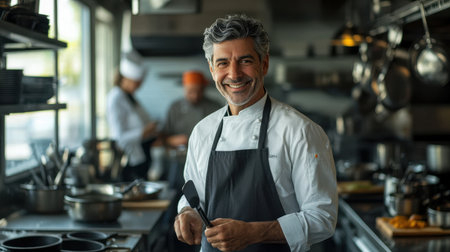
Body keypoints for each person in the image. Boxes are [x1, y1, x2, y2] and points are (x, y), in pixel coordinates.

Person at [174, 14, 338, 252]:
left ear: (264, 64)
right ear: (211, 69)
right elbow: (193, 195)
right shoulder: (202, 132)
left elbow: (322, 218)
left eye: (245, 60)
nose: (234, 74)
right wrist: (187, 213)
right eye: (222, 63)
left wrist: (252, 233)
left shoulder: (299, 131)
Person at [107, 50, 158, 181]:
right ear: (126, 79)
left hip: (140, 157)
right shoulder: (116, 98)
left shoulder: (129, 97)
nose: (139, 86)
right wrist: (143, 132)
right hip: (129, 162)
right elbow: (119, 138)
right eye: (137, 82)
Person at [162, 70, 222, 148]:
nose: (195, 96)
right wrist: (172, 140)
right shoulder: (174, 108)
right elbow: (163, 137)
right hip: (180, 154)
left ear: (204, 89)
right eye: (190, 91)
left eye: (199, 91)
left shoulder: (215, 107)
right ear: (184, 88)